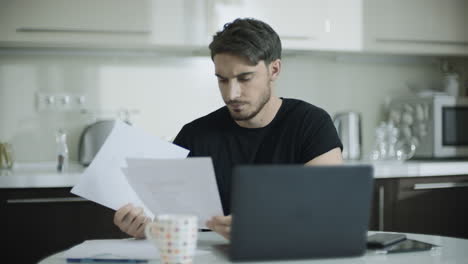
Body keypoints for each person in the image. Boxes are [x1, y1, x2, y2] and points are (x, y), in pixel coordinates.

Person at [113, 18, 343, 240]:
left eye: (245, 78)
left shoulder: (311, 124)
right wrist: (148, 229)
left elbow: (328, 208)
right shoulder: (194, 136)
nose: (231, 94)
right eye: (222, 80)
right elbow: (168, 220)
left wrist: (265, 226)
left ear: (274, 70)